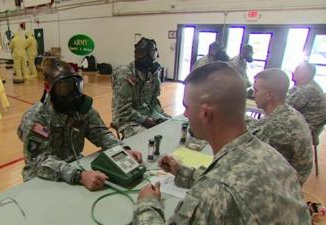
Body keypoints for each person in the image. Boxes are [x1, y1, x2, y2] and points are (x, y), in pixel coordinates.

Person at [133, 62, 310, 225]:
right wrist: (182, 172)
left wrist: (147, 204)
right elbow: (235, 178)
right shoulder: (270, 156)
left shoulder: (213, 195)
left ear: (205, 114)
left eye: (187, 107)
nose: (186, 114)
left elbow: (223, 187)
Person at [18, 59, 142, 191]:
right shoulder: (36, 117)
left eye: (75, 85)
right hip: (42, 176)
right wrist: (79, 176)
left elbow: (101, 134)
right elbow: (39, 161)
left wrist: (123, 150)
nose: (72, 93)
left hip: (74, 166)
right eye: (64, 88)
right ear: (48, 88)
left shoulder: (80, 108)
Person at [248, 68, 312, 184]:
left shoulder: (277, 127)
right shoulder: (287, 112)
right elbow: (259, 127)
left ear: (269, 95)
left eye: (256, 90)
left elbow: (250, 162)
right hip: (286, 180)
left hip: (279, 187)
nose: (253, 94)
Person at [112, 37, 170, 138]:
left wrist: (159, 116)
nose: (150, 58)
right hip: (126, 119)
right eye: (141, 53)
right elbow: (122, 110)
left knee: (170, 125)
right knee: (147, 137)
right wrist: (145, 121)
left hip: (146, 113)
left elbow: (154, 101)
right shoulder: (126, 74)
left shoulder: (151, 73)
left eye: (152, 54)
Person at [287, 61, 326, 133]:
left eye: (297, 69)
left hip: (302, 130)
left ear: (304, 74)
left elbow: (284, 106)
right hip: (299, 125)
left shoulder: (308, 89)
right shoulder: (303, 86)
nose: (293, 72)